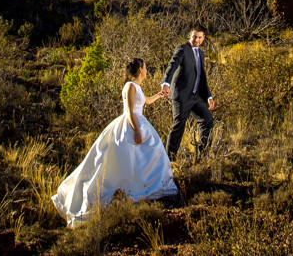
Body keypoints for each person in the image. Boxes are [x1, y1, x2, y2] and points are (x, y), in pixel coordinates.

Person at [52, 58, 178, 227]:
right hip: (131, 124)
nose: (147, 71)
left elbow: (146, 101)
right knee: (130, 158)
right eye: (145, 68)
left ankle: (147, 189)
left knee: (149, 155)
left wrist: (159, 95)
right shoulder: (130, 86)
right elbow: (130, 110)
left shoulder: (137, 87)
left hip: (139, 122)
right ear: (140, 70)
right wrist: (136, 130)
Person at [160, 25, 215, 160]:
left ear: (203, 38)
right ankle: (169, 160)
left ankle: (202, 156)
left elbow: (202, 77)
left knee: (207, 119)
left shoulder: (201, 54)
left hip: (195, 96)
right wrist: (166, 83)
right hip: (181, 96)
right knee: (178, 126)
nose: (196, 40)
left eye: (199, 37)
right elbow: (172, 65)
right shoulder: (183, 49)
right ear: (190, 35)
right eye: (194, 37)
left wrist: (208, 96)